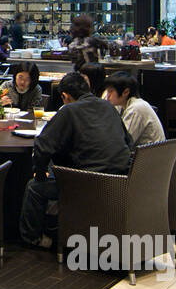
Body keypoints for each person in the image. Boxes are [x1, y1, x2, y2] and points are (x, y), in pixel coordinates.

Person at [19, 71, 134, 249]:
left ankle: (33, 239)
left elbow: (42, 146)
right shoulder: (108, 106)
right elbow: (129, 142)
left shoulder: (70, 110)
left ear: (65, 96)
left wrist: (40, 173)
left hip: (88, 182)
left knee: (34, 187)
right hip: (121, 180)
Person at [103, 72, 166, 147]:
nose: (107, 96)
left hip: (150, 153)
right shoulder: (120, 105)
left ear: (126, 92)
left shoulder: (136, 108)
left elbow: (123, 142)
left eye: (110, 91)